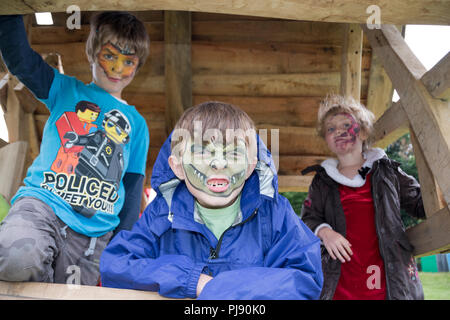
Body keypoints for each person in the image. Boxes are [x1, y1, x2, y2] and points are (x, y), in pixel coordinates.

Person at [100, 101, 323, 299]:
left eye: (233, 154)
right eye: (202, 152)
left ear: (249, 167)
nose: (218, 164)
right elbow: (115, 265)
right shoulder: (161, 213)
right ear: (177, 166)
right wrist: (192, 280)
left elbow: (305, 278)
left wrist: (223, 288)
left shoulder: (275, 213)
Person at [0, 12, 150, 285]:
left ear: (138, 67)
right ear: (92, 53)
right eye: (110, 56)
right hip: (43, 208)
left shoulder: (137, 125)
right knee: (16, 259)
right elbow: (20, 60)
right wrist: (9, 13)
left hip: (94, 236)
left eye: (128, 61)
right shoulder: (64, 89)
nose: (117, 69)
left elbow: (132, 191)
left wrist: (123, 250)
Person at [301, 94, 425, 300]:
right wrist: (325, 232)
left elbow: (421, 204)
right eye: (331, 128)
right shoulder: (322, 181)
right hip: (342, 283)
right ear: (327, 140)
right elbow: (308, 218)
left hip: (388, 282)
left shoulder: (388, 171)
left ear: (364, 131)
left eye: (346, 124)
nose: (338, 130)